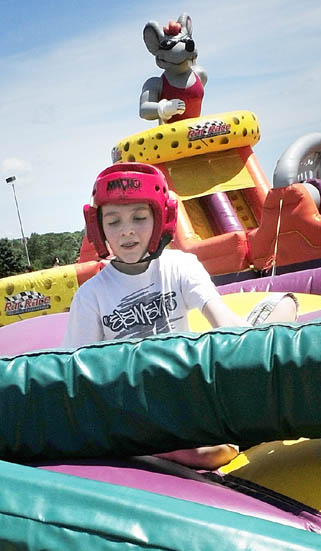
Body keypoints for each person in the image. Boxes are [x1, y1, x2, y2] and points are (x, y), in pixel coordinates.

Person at [65, 162, 298, 468]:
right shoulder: (91, 296)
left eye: (139, 217)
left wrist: (253, 356)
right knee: (210, 453)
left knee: (285, 305)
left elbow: (221, 319)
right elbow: (78, 376)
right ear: (98, 228)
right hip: (141, 403)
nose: (127, 230)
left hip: (188, 385)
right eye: (113, 221)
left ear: (161, 218)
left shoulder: (179, 266)